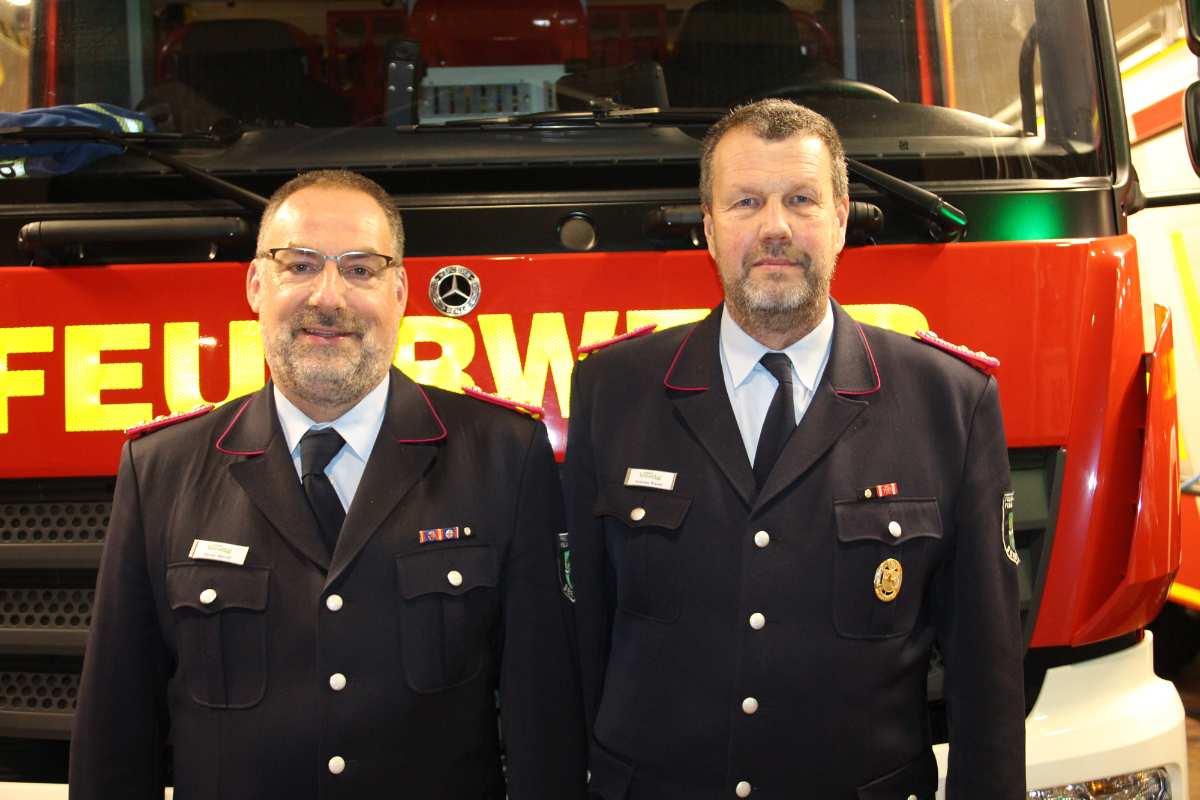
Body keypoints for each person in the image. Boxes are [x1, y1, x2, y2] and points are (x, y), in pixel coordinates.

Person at [70, 170, 587, 800]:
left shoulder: (505, 455)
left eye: (362, 269)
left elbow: (544, 723)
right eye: (300, 264)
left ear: (400, 292)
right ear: (257, 285)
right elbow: (115, 736)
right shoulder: (159, 472)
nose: (329, 298)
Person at [565, 99, 1024, 799]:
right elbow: (581, 641)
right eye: (746, 202)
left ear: (841, 220)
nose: (775, 228)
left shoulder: (948, 401)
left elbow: (985, 674)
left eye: (801, 200)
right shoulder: (612, 389)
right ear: (710, 229)